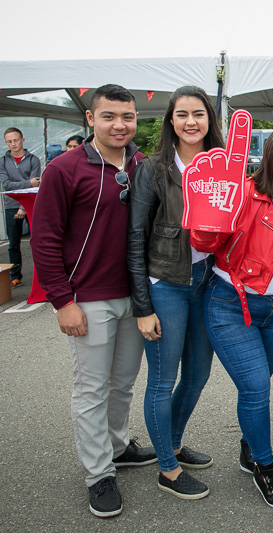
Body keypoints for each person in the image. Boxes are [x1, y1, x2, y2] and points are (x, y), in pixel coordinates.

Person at [31, 84, 157, 519]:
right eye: (109, 116)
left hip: (136, 298)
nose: (120, 125)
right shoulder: (63, 169)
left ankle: (118, 448)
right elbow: (45, 241)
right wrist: (62, 300)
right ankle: (98, 473)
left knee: (122, 384)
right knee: (91, 389)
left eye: (127, 116)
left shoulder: (143, 165)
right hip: (87, 300)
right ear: (90, 119)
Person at [192, 126, 273, 511]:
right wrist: (208, 222)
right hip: (231, 303)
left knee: (256, 390)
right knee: (257, 388)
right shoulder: (245, 193)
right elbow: (205, 242)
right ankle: (266, 466)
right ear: (267, 163)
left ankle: (250, 446)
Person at [127, 86, 224, 500]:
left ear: (209, 120)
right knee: (163, 380)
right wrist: (142, 306)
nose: (190, 121)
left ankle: (175, 443)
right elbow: (135, 238)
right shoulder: (152, 169)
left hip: (207, 282)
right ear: (170, 120)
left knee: (199, 374)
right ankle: (166, 467)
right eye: (181, 114)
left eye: (198, 114)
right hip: (165, 285)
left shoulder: (223, 167)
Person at [1, 127, 41, 288]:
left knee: (38, 242)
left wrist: (23, 207)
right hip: (10, 206)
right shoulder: (2, 161)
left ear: (22, 140)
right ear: (5, 143)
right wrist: (27, 183)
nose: (13, 144)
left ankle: (42, 278)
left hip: (31, 206)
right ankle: (15, 276)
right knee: (13, 244)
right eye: (9, 141)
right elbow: (6, 185)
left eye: (16, 140)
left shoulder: (33, 160)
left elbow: (35, 185)